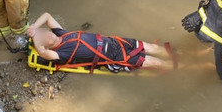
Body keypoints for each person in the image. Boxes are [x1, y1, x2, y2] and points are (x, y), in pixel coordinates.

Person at [26, 12, 175, 72]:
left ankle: (187, 55)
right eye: (44, 39)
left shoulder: (61, 33)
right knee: (157, 63)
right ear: (44, 45)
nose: (47, 35)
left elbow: (46, 16)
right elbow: (43, 53)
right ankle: (183, 69)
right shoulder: (59, 53)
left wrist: (34, 28)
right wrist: (36, 39)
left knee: (155, 48)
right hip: (115, 58)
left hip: (117, 42)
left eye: (45, 32)